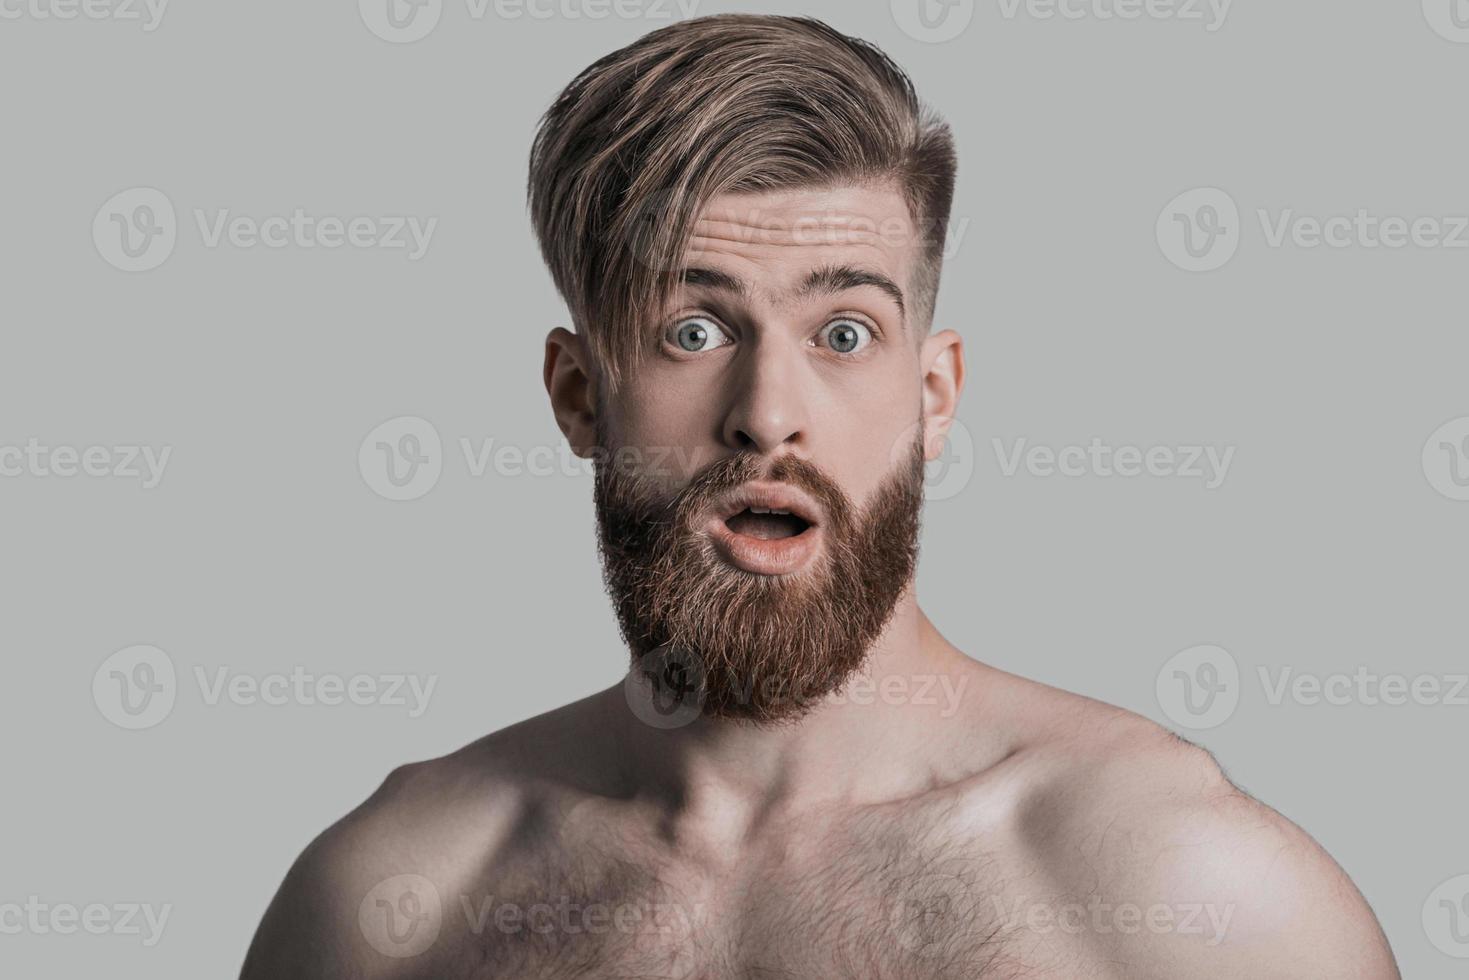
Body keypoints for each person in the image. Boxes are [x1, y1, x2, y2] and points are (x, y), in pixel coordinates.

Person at [240, 14, 1399, 978]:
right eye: (691, 329)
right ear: (578, 391)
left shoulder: (1186, 894)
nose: (766, 411)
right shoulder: (391, 904)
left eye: (843, 331)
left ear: (932, 392)